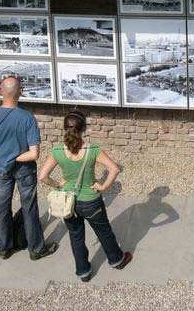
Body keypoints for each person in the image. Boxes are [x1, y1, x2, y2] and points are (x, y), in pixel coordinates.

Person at [39, 110, 132, 282]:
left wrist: (58, 184)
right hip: (91, 201)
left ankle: (83, 271)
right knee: (104, 232)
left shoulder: (57, 151)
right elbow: (114, 169)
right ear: (84, 129)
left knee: (76, 236)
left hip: (69, 201)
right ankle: (117, 260)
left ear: (64, 128)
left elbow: (43, 176)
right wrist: (103, 186)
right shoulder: (92, 150)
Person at [0, 75, 58, 261]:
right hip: (25, 170)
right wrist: (16, 157)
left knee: (2, 207)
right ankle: (36, 249)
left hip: (1, 169)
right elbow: (34, 154)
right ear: (20, 92)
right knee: (29, 207)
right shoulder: (27, 118)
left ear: (1, 92)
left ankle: (5, 247)